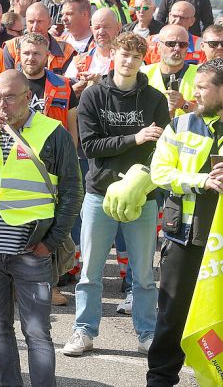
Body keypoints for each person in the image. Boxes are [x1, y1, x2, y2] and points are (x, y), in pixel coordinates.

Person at [0, 69, 82, 387]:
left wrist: (51, 242)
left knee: (36, 331)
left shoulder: (53, 133)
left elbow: (74, 191)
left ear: (27, 98)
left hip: (32, 247)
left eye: (10, 97)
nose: (2, 104)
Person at [62, 32, 169, 359]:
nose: (129, 61)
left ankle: (147, 333)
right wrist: (135, 138)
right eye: (124, 55)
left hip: (142, 198)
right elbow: (90, 147)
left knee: (145, 275)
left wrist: (148, 180)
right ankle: (84, 330)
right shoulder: (93, 96)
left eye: (136, 57)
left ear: (142, 60)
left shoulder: (155, 99)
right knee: (91, 272)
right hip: (99, 193)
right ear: (113, 55)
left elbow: (162, 150)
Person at [147, 58, 223, 386]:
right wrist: (201, 179)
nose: (195, 93)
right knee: (172, 314)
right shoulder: (180, 125)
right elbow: (160, 172)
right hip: (184, 237)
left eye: (203, 87)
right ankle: (161, 379)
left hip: (218, 239)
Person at [141, 24, 198, 118]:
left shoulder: (201, 74)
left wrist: (184, 104)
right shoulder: (142, 74)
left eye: (183, 45)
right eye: (171, 44)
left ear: (187, 48)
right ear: (158, 46)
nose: (177, 48)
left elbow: (212, 113)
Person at [3, 3, 75, 76]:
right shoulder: (11, 47)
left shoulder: (65, 49)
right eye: (31, 22)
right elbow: (6, 80)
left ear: (50, 22)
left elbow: (68, 83)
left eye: (39, 21)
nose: (35, 27)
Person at [65, 9, 119, 97]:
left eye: (106, 26)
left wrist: (100, 81)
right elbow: (65, 94)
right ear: (91, 30)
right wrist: (79, 86)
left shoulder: (126, 59)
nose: (101, 32)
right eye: (97, 28)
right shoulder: (79, 61)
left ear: (118, 27)